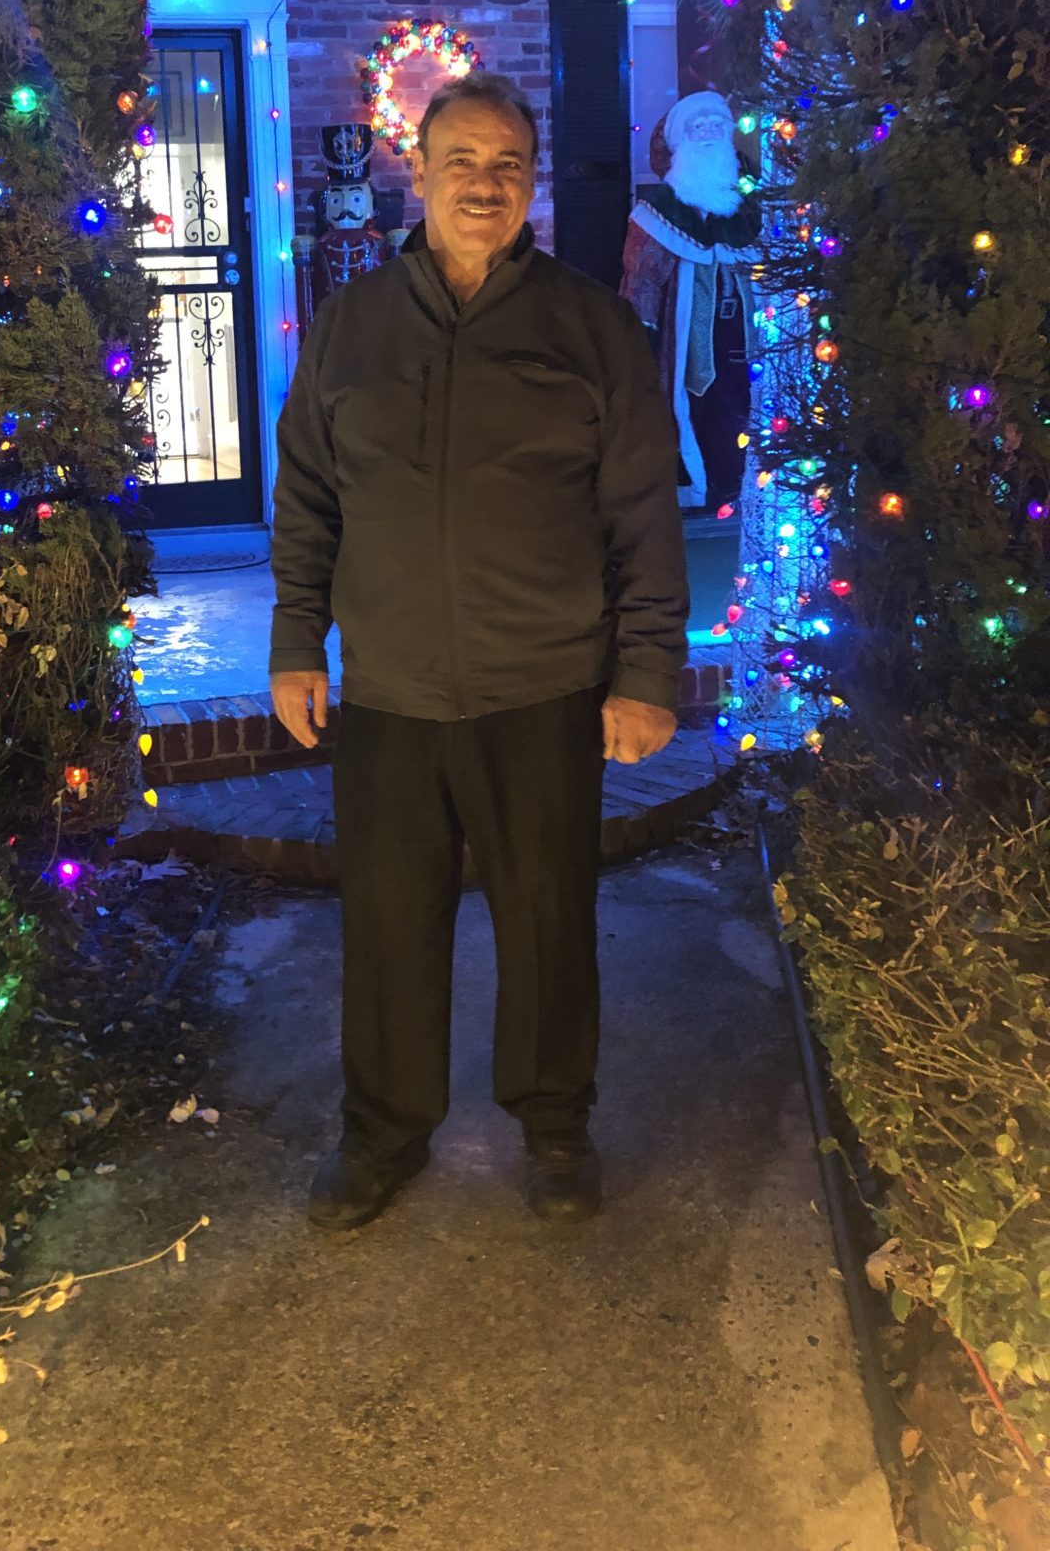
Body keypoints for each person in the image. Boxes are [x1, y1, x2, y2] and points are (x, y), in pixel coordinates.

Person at [269, 70, 689, 1233]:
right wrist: (298, 640)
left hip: (543, 685)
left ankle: (556, 1128)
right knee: (390, 927)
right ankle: (384, 1133)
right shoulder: (354, 324)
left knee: (549, 924)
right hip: (394, 692)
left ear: (531, 181)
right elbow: (305, 494)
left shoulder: (593, 328)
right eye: (462, 161)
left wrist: (648, 673)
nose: (485, 183)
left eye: (508, 164)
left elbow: (644, 517)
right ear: (419, 169)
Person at [619, 88, 761, 513]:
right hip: (686, 338)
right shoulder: (659, 210)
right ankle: (704, 487)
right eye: (699, 128)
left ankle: (742, 485)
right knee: (698, 403)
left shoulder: (745, 208)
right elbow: (641, 277)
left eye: (716, 127)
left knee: (743, 403)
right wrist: (637, 334)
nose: (709, 134)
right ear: (681, 140)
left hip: (744, 333)